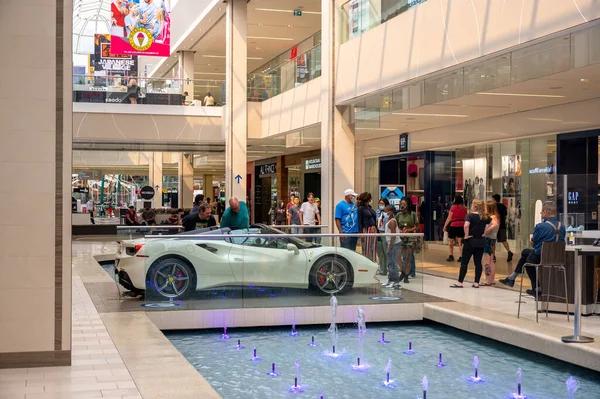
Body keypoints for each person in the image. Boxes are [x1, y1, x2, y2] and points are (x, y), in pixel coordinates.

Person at [499, 202, 565, 296]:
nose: (541, 215)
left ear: (545, 212)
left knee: (528, 263)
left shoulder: (540, 226)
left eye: (541, 213)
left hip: (541, 257)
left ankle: (536, 287)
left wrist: (533, 241)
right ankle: (511, 278)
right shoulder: (562, 226)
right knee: (525, 252)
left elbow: (533, 242)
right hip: (556, 258)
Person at [450, 199, 488, 288]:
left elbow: (466, 225)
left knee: (464, 262)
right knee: (478, 263)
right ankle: (476, 282)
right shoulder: (484, 217)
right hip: (480, 242)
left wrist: (466, 235)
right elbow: (494, 223)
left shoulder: (469, 216)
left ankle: (460, 282)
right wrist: (486, 231)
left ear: (473, 206)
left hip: (470, 242)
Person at [395, 197, 419, 283]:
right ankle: (403, 272)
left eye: (404, 204)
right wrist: (400, 230)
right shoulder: (398, 215)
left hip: (410, 237)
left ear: (408, 205)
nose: (402, 206)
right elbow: (396, 225)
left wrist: (409, 230)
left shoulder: (413, 214)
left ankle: (406, 275)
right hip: (401, 237)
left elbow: (417, 226)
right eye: (401, 204)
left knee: (408, 257)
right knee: (398, 256)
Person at [381, 205, 402, 289]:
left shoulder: (392, 222)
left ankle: (395, 281)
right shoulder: (388, 220)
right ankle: (390, 279)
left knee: (393, 263)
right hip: (390, 243)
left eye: (386, 211)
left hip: (394, 244)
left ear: (390, 212)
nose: (385, 213)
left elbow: (393, 236)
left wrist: (390, 246)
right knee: (390, 263)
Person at [443, 195, 467, 262]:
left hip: (453, 225)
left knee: (451, 242)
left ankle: (451, 255)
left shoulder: (453, 207)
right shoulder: (464, 208)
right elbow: (466, 217)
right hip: (461, 226)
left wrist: (445, 226)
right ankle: (461, 256)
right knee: (460, 243)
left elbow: (449, 218)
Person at [482, 200, 500, 286]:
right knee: (492, 260)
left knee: (486, 261)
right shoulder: (496, 216)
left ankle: (487, 279)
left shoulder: (492, 218)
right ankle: (492, 279)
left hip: (487, 239)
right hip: (493, 239)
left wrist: (485, 231)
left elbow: (495, 224)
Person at [492, 194, 514, 262]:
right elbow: (505, 215)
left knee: (493, 241)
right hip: (502, 225)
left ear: (494, 199)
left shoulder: (493, 206)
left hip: (495, 225)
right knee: (503, 240)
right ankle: (509, 251)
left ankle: (493, 256)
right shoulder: (503, 206)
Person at [357, 192, 378, 261]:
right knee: (366, 248)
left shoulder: (369, 208)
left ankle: (372, 261)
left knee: (372, 248)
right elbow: (359, 221)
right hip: (366, 229)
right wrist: (360, 233)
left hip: (372, 229)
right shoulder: (361, 208)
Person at [375, 198, 390, 276]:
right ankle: (382, 269)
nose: (381, 205)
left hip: (385, 233)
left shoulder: (388, 213)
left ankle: (389, 269)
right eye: (380, 203)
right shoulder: (377, 212)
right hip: (378, 233)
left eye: (382, 203)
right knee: (380, 252)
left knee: (386, 252)